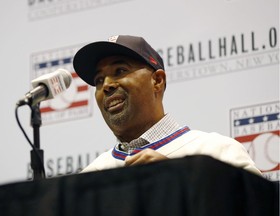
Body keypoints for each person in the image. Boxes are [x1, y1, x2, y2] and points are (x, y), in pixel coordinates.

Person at [73, 35, 262, 175]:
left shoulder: (218, 151)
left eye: (120, 70)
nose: (106, 85)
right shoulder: (90, 177)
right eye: (98, 80)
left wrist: (180, 182)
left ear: (157, 81)